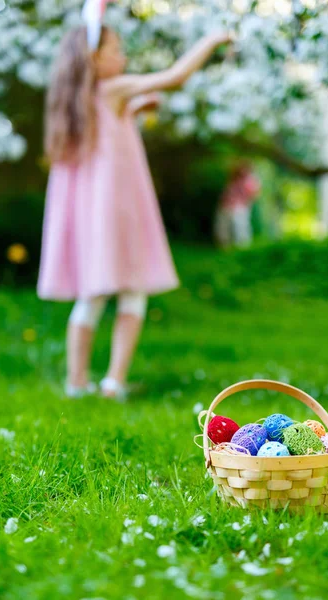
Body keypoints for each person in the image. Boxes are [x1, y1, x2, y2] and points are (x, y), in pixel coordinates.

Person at [37, 1, 231, 400]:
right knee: (134, 290)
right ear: (94, 58)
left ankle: (77, 382)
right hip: (123, 210)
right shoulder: (113, 89)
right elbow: (175, 77)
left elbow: (107, 131)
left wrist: (135, 109)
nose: (123, 57)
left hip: (96, 216)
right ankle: (113, 381)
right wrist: (213, 39)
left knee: (92, 295)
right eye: (116, 51)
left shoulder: (79, 103)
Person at [214, 162, 261, 247]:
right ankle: (224, 246)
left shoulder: (250, 180)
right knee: (223, 227)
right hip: (226, 206)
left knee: (240, 227)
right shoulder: (232, 179)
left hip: (239, 207)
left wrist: (244, 202)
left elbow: (254, 194)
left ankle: (242, 246)